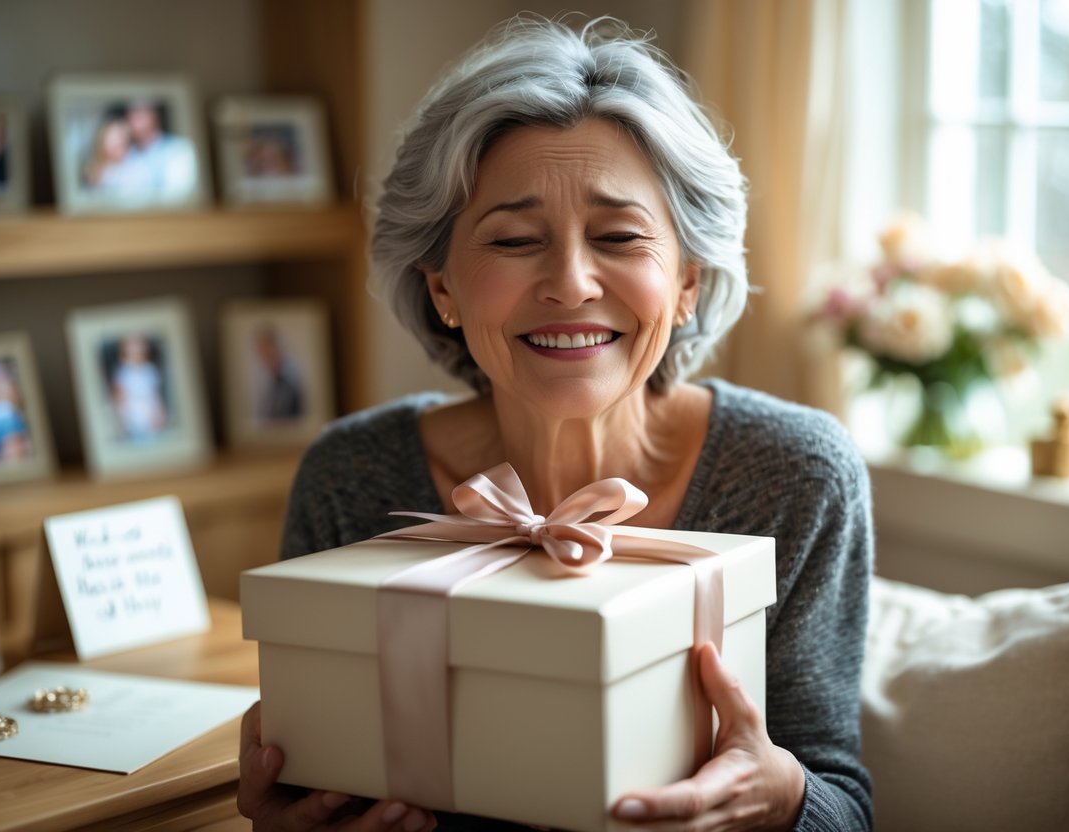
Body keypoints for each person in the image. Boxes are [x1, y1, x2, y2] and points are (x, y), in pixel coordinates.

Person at [237, 15, 873, 832]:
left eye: (618, 236)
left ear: (685, 281)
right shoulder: (351, 475)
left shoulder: (793, 474)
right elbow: (304, 779)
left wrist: (783, 800)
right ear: (442, 289)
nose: (570, 283)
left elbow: (843, 804)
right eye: (513, 240)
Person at [122, 100, 197, 202]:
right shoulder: (127, 153)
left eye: (139, 117)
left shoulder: (177, 148)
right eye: (130, 118)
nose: (133, 123)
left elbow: (178, 194)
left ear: (154, 118)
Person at [109, 334, 167, 441]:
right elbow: (119, 398)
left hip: (150, 415)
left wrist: (159, 414)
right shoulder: (123, 373)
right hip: (132, 417)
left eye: (138, 347)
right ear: (125, 351)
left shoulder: (150, 370)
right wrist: (120, 422)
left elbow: (155, 395)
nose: (136, 352)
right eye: (131, 348)